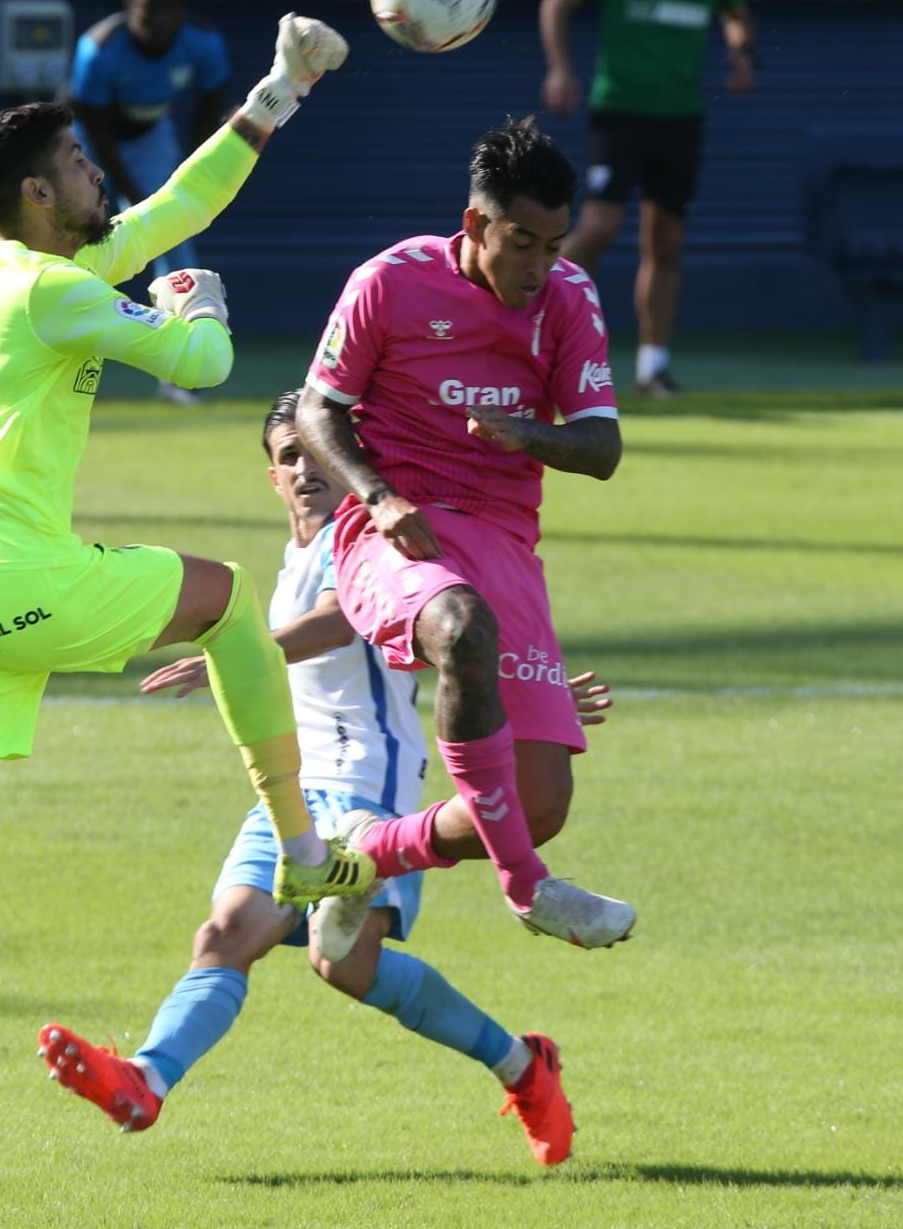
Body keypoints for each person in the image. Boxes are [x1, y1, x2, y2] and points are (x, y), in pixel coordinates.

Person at [0, 16, 375, 1229]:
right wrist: (203, 301)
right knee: (231, 593)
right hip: (13, 574)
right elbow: (203, 360)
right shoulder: (57, 298)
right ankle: (298, 844)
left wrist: (279, 91)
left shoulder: (0, 279)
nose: (100, 176)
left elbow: (170, 208)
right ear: (38, 193)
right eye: (81, 164)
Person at [36, 390, 613, 1166]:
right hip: (291, 789)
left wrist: (239, 649)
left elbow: (348, 617)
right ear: (270, 476)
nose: (306, 469)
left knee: (340, 961)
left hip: (366, 784)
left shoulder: (365, 548)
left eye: (316, 452)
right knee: (246, 941)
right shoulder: (290, 560)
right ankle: (145, 1078)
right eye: (288, 457)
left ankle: (521, 1065)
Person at [295, 118, 637, 952]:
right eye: (523, 242)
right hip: (394, 525)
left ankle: (361, 856)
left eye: (554, 244)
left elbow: (602, 448)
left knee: (540, 804)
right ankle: (527, 888)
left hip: (503, 540)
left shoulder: (568, 296)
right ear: (477, 222)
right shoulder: (390, 280)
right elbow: (316, 411)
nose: (539, 266)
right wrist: (376, 496)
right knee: (460, 627)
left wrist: (529, 436)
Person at [539, 0, 756, 397]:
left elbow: (733, 12)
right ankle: (523, 315)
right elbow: (557, 3)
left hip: (681, 115)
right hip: (621, 110)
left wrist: (740, 51)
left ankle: (652, 366)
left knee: (666, 243)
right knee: (600, 227)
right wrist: (561, 68)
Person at [71, 0, 232, 405]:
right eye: (147, 12)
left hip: (150, 137)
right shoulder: (99, 48)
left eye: (168, 12)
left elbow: (210, 101)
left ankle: (176, 373)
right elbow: (95, 128)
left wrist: (189, 175)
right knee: (79, 243)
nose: (158, 23)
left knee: (174, 238)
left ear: (181, 10)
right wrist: (132, 195)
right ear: (129, 5)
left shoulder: (203, 42)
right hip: (89, 143)